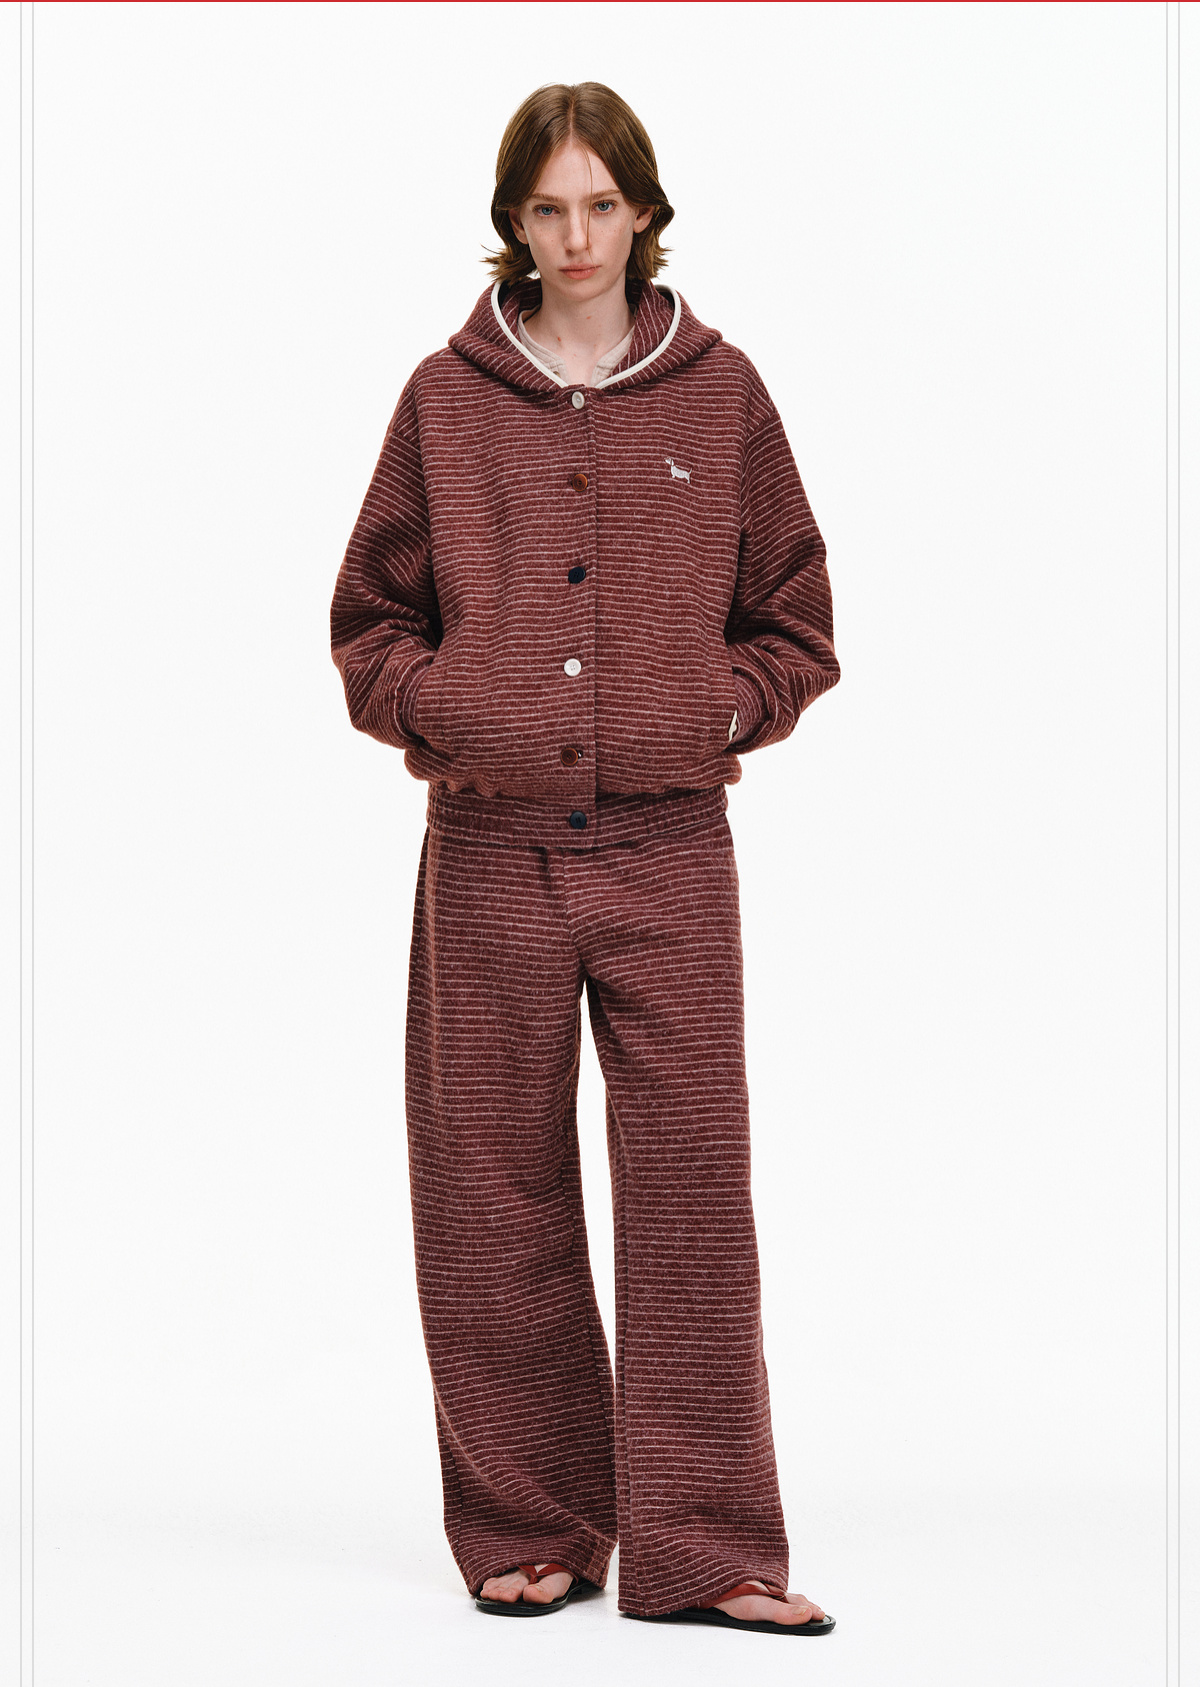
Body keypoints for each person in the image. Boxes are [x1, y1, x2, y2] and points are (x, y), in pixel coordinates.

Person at [329, 81, 840, 1637]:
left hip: (673, 854)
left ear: (644, 212)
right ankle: (531, 1522)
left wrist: (715, 710)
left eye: (600, 205)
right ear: (514, 222)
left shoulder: (721, 394)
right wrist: (451, 708)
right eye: (547, 209)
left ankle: (708, 1546)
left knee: (692, 1192)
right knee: (490, 1186)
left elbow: (797, 620)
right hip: (487, 852)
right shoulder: (444, 398)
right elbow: (368, 626)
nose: (575, 237)